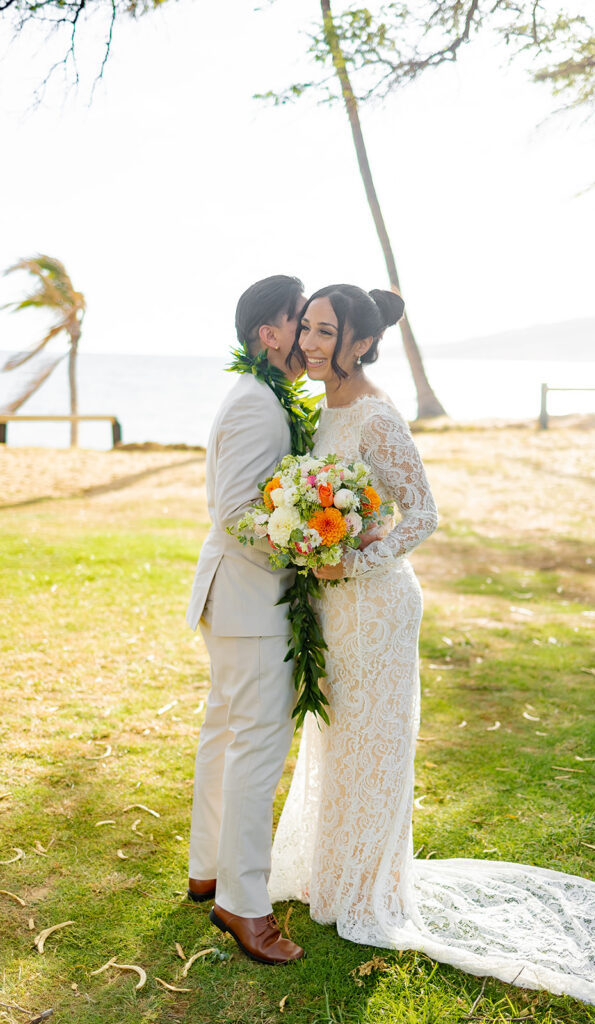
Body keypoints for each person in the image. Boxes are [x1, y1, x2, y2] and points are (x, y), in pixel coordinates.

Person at [267, 283, 595, 1007]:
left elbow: (422, 513)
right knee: (338, 738)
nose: (308, 343)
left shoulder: (376, 414)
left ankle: (367, 888)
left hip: (376, 606)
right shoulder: (319, 407)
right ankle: (334, 873)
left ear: (360, 344)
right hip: (331, 606)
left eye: (323, 332)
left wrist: (357, 557)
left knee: (372, 743)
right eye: (307, 328)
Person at [185, 274, 307, 965]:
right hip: (250, 601)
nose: (308, 332)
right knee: (256, 746)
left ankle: (208, 868)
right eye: (300, 320)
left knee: (226, 732)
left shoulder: (255, 395)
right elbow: (235, 513)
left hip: (231, 596)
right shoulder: (259, 405)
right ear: (271, 333)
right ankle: (242, 902)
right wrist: (307, 549)